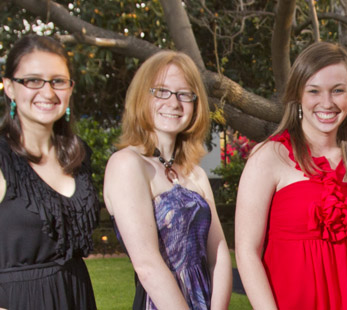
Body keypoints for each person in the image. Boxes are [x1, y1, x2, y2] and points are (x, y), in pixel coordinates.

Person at [235, 41, 347, 310]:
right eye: (314, 91)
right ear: (298, 95)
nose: (327, 103)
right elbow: (246, 252)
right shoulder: (268, 157)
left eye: (338, 90)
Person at [103, 51, 232, 309]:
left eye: (184, 94)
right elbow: (147, 264)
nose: (174, 103)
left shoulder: (196, 174)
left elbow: (218, 256)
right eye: (161, 91)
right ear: (142, 97)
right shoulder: (127, 164)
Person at [0, 35, 99, 309]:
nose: (48, 92)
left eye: (58, 81)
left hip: (77, 298)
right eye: (33, 80)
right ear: (9, 87)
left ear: (70, 87)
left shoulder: (79, 156)